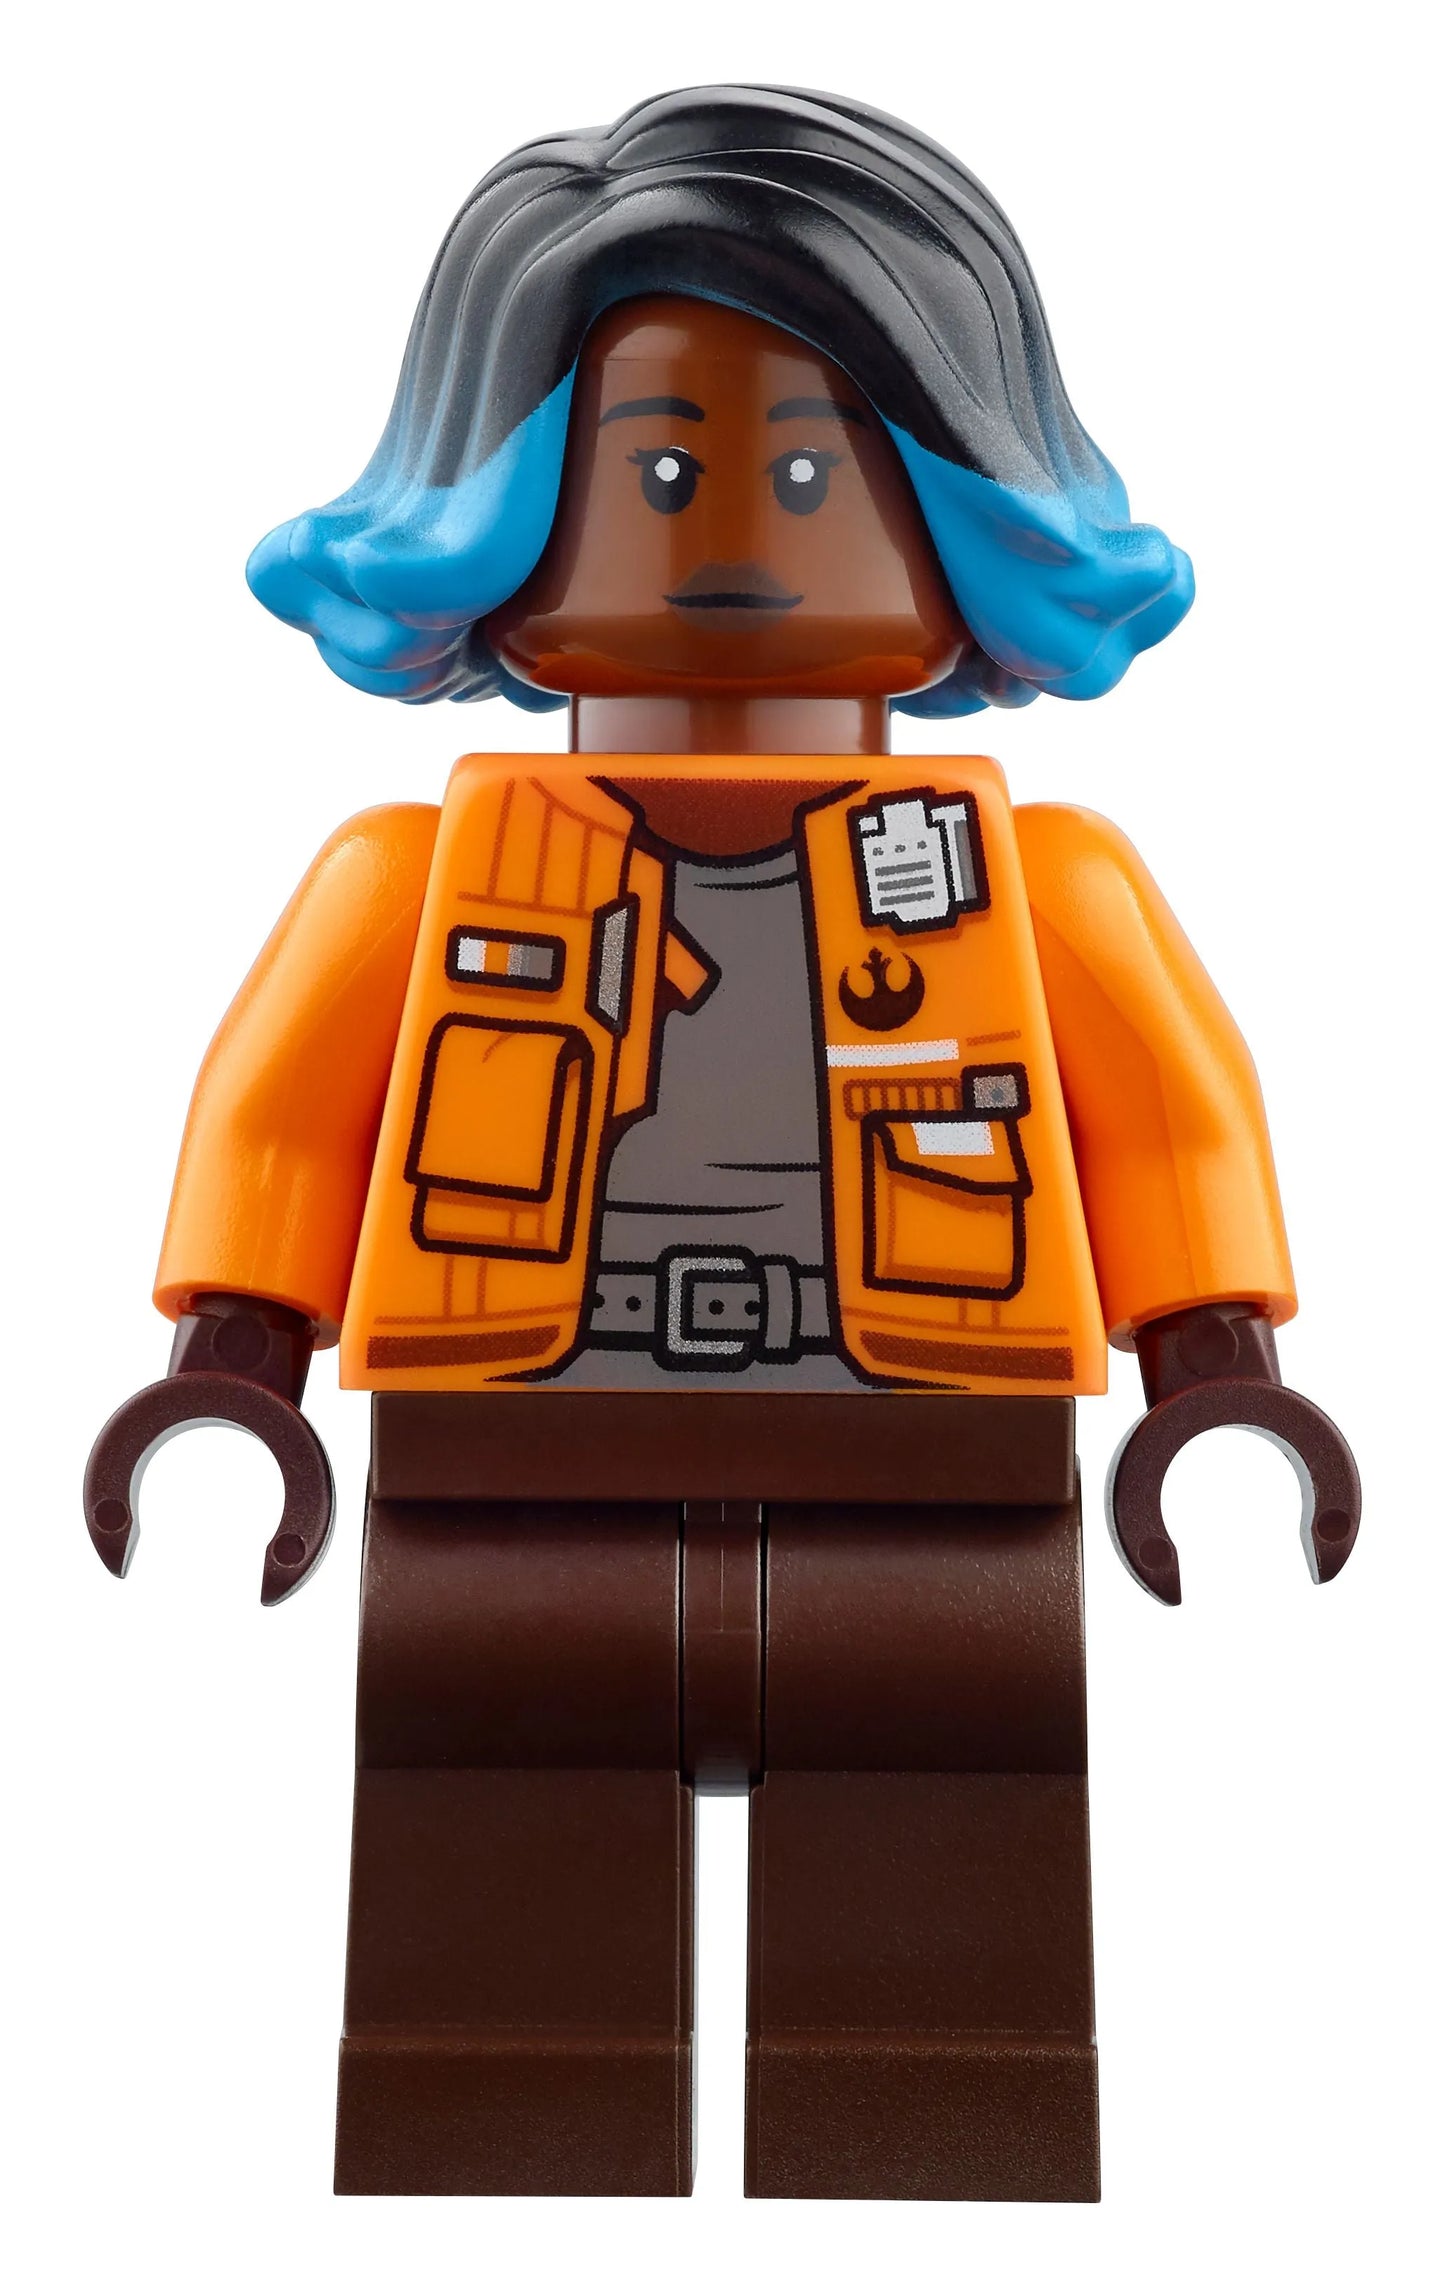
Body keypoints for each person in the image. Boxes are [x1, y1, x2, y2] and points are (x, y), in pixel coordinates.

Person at [85, 85, 1357, 2201]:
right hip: (511, 1454)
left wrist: (1217, 1381)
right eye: (661, 472)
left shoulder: (1046, 884)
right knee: (494, 1865)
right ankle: (498, 2171)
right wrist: (231, 1373)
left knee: (945, 1871)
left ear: (960, 511)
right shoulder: (406, 877)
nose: (742, 536)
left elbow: (1174, 1119)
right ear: (503, 514)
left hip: (937, 1462)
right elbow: (277, 1113)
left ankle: (931, 2161)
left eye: (814, 469)